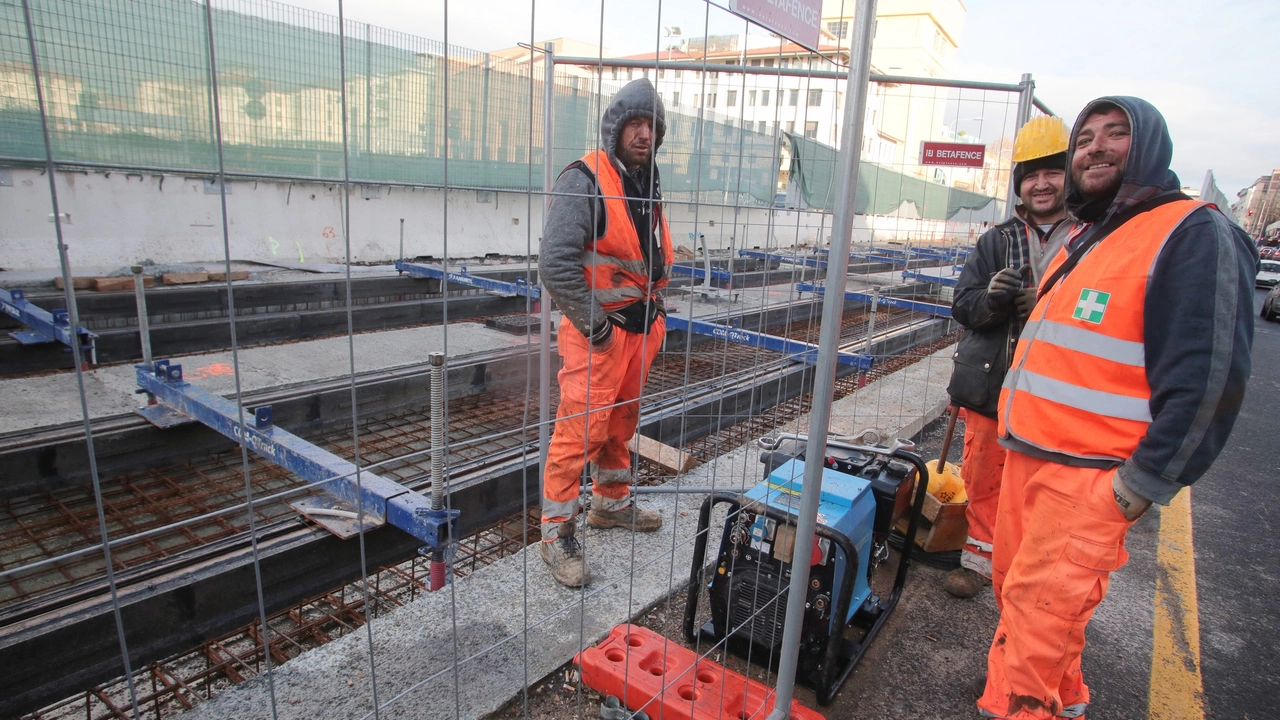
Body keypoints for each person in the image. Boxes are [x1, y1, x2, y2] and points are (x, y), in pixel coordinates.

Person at [978, 97, 1256, 719]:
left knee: (1035, 627)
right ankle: (1064, 703)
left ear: (1150, 147)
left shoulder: (1192, 232)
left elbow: (1210, 377)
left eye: (1116, 134)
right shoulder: (1097, 234)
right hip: (1033, 460)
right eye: (1086, 138)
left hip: (1088, 479)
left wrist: (1142, 484)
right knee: (1028, 608)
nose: (1095, 148)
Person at [536, 79, 674, 588]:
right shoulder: (584, 179)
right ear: (615, 128)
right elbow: (555, 265)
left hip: (638, 330)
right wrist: (597, 329)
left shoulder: (646, 179)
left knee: (620, 424)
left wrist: (652, 318)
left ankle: (610, 505)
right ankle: (555, 534)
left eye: (652, 126)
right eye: (635, 124)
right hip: (602, 333)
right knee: (579, 432)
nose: (644, 134)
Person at [945, 116, 1071, 599]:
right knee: (984, 476)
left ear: (1068, 176)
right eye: (1031, 174)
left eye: (1052, 172)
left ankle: (1030, 568)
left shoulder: (1088, 238)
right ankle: (978, 563)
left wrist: (1043, 304)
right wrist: (993, 302)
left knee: (1044, 483)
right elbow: (963, 306)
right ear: (1019, 182)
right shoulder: (996, 240)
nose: (1041, 183)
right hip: (992, 382)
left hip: (1054, 384)